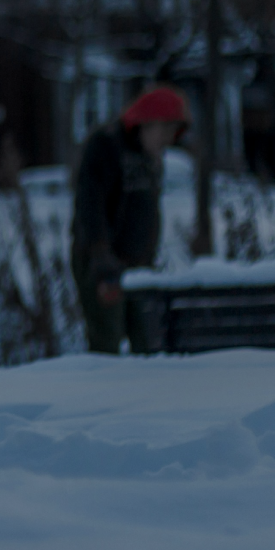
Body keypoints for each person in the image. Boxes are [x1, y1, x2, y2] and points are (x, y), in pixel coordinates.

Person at [71, 86, 189, 354]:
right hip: (103, 262)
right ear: (147, 124)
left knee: (147, 342)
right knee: (107, 342)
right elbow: (90, 204)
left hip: (138, 266)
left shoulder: (151, 158)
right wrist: (99, 254)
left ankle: (143, 396)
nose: (168, 141)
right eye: (166, 131)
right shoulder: (106, 145)